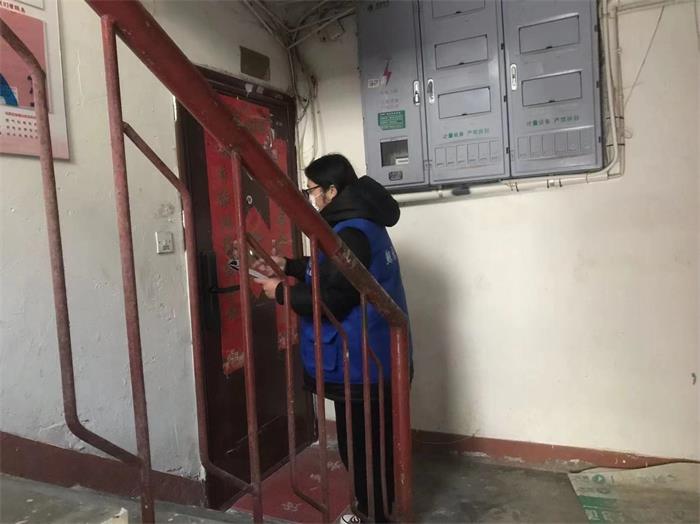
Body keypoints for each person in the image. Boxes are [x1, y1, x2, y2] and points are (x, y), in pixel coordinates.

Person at [253, 153, 411, 522]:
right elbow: (336, 272)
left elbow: (334, 299)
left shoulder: (350, 232)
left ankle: (372, 515)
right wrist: (290, 266)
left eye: (311, 191)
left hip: (361, 360)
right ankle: (378, 509)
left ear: (332, 190)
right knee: (374, 445)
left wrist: (280, 291)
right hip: (376, 355)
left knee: (362, 449)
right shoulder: (360, 223)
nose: (310, 198)